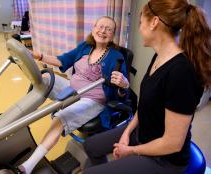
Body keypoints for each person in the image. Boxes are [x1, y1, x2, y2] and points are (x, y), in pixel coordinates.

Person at [83, 1, 211, 174]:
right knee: (90, 145)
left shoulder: (182, 72)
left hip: (165, 159)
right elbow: (144, 105)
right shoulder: (159, 56)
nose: (139, 28)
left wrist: (131, 150)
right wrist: (127, 132)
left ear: (154, 22)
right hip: (142, 132)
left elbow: (173, 143)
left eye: (141, 22)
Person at [8, 16, 129, 174]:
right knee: (43, 79)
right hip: (72, 88)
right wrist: (40, 56)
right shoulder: (85, 46)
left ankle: (27, 167)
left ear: (112, 35)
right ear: (93, 29)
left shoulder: (116, 57)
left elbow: (122, 93)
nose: (103, 31)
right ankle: (18, 121)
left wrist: (124, 84)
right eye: (100, 27)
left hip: (92, 99)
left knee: (59, 119)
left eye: (108, 29)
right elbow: (63, 60)